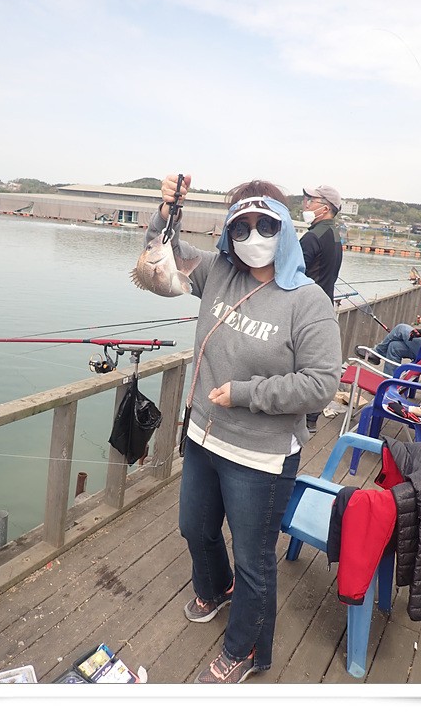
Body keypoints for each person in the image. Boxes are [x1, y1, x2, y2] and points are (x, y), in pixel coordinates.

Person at [143, 174, 342, 684]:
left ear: (285, 228)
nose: (253, 236)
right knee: (195, 527)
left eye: (265, 225)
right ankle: (215, 588)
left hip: (261, 455)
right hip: (203, 436)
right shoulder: (218, 272)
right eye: (242, 227)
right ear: (229, 231)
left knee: (255, 560)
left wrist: (247, 394)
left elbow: (322, 383)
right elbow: (162, 260)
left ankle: (247, 648)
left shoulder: (308, 301)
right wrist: (166, 210)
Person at [299, 185, 344, 433]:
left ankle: (305, 420)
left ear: (325, 207)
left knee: (300, 364)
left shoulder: (312, 237)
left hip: (306, 309)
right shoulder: (334, 234)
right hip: (324, 304)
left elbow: (293, 274)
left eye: (311, 200)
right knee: (314, 363)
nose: (306, 204)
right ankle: (311, 418)